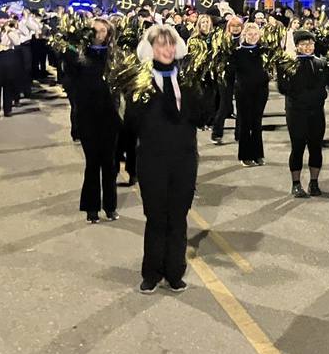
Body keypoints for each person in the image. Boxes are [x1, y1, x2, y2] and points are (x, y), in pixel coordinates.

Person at [130, 25, 199, 294]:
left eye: (170, 44)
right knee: (156, 216)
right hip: (153, 159)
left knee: (179, 216)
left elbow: (200, 115)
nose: (167, 50)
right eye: (161, 45)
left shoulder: (186, 78)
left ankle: (174, 271)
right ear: (151, 49)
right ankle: (152, 272)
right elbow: (131, 123)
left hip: (183, 158)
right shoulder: (141, 81)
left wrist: (201, 92)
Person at [67, 18, 121, 223]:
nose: (98, 34)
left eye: (103, 31)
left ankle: (110, 206)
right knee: (92, 163)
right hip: (88, 116)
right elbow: (69, 73)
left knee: (109, 163)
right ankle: (91, 208)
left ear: (108, 34)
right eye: (95, 30)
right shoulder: (79, 54)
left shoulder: (113, 56)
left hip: (109, 117)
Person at [278, 31, 329, 198]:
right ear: (297, 46)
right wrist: (281, 72)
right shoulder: (290, 64)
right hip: (296, 113)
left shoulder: (321, 63)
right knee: (298, 147)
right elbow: (283, 89)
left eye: (310, 44)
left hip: (316, 112)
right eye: (304, 44)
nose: (308, 47)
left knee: (316, 147)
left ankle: (314, 183)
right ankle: (296, 184)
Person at [231, 22, 270, 167]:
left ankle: (258, 154)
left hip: (261, 91)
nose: (253, 37)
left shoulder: (264, 51)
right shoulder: (237, 52)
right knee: (245, 123)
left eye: (255, 34)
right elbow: (232, 73)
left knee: (257, 123)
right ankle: (245, 155)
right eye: (250, 34)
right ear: (244, 35)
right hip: (243, 92)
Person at [211, 15, 245, 145]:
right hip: (226, 75)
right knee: (225, 104)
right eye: (233, 26)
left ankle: (239, 134)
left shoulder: (244, 39)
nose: (235, 28)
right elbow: (217, 57)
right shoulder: (222, 39)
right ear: (228, 27)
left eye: (238, 26)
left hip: (241, 76)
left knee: (241, 105)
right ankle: (217, 133)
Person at [0, 11, 20, 118]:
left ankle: (8, 109)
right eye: (0, 18)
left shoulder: (12, 30)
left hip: (8, 57)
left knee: (8, 84)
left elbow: (17, 43)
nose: (2, 21)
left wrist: (9, 31)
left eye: (4, 18)